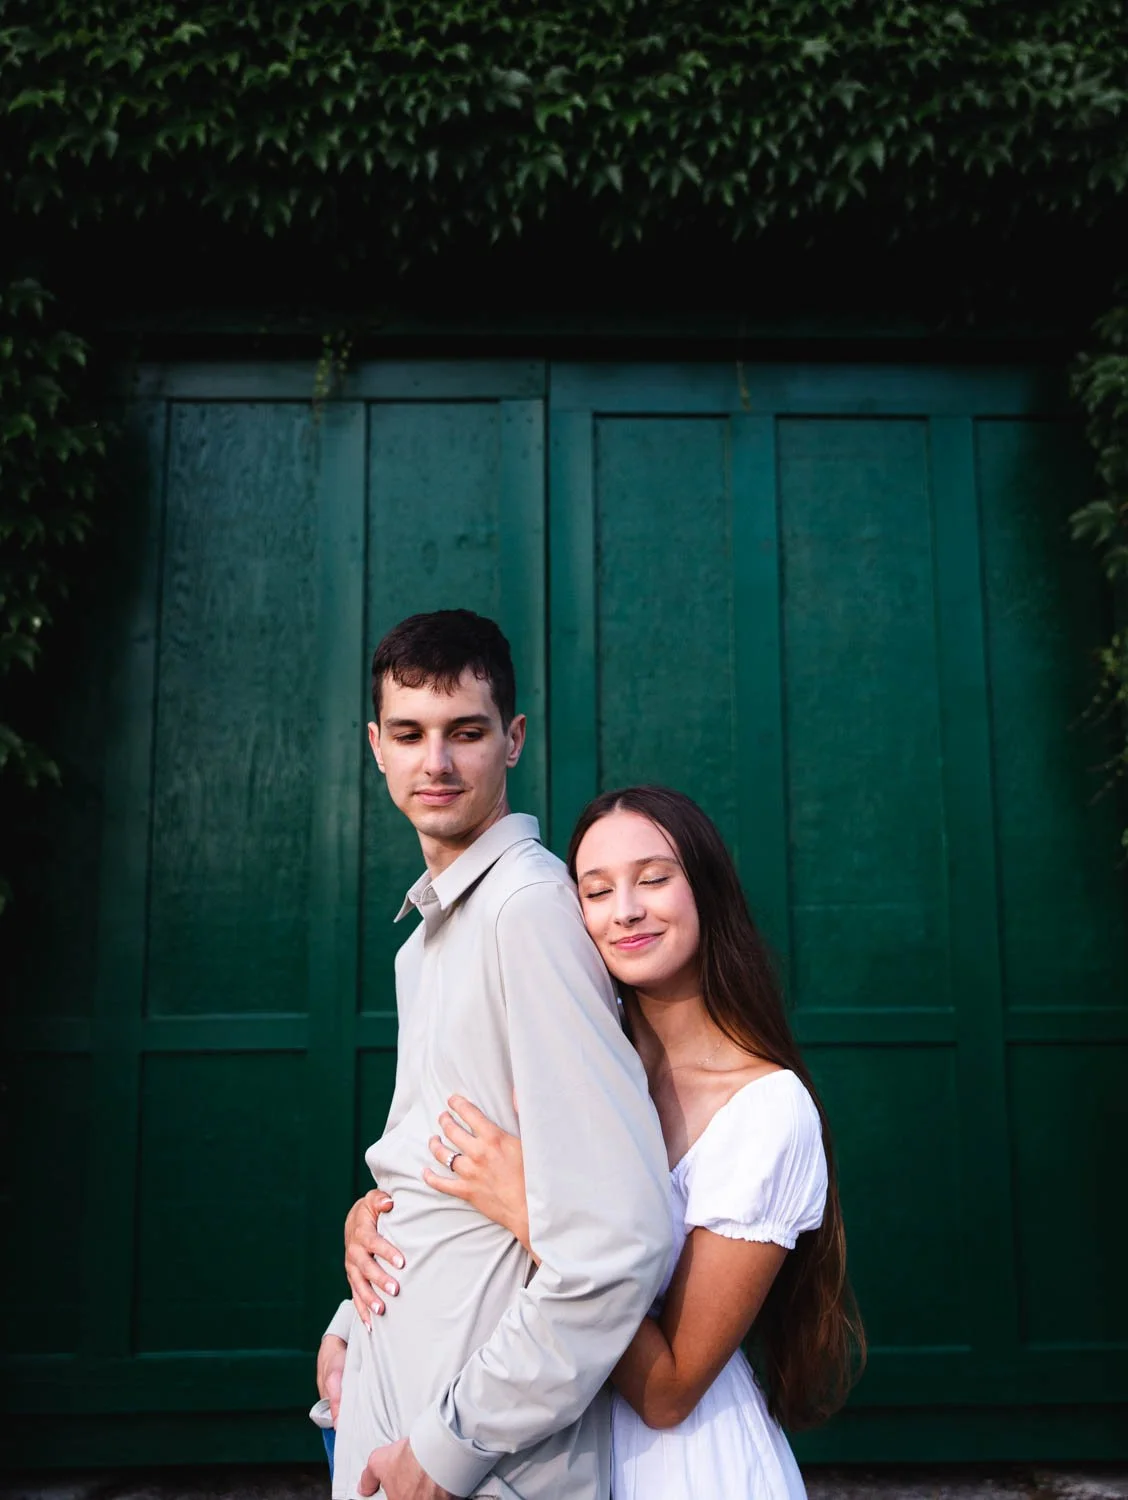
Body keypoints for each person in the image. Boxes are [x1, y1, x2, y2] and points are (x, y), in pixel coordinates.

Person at [346, 786, 865, 1500]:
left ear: (706, 891)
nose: (625, 910)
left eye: (653, 879)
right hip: (551, 1451)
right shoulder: (576, 1065)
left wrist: (536, 1217)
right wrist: (369, 1239)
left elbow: (673, 1390)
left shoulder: (767, 1113)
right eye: (595, 891)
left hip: (678, 1468)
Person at [315, 612, 671, 1500]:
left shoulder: (528, 912)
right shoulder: (425, 939)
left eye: (464, 733)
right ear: (376, 747)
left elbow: (614, 1240)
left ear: (512, 741)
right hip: (391, 1410)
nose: (435, 763)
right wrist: (351, 1325)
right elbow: (429, 1170)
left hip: (485, 1459)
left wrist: (452, 1446)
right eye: (409, 734)